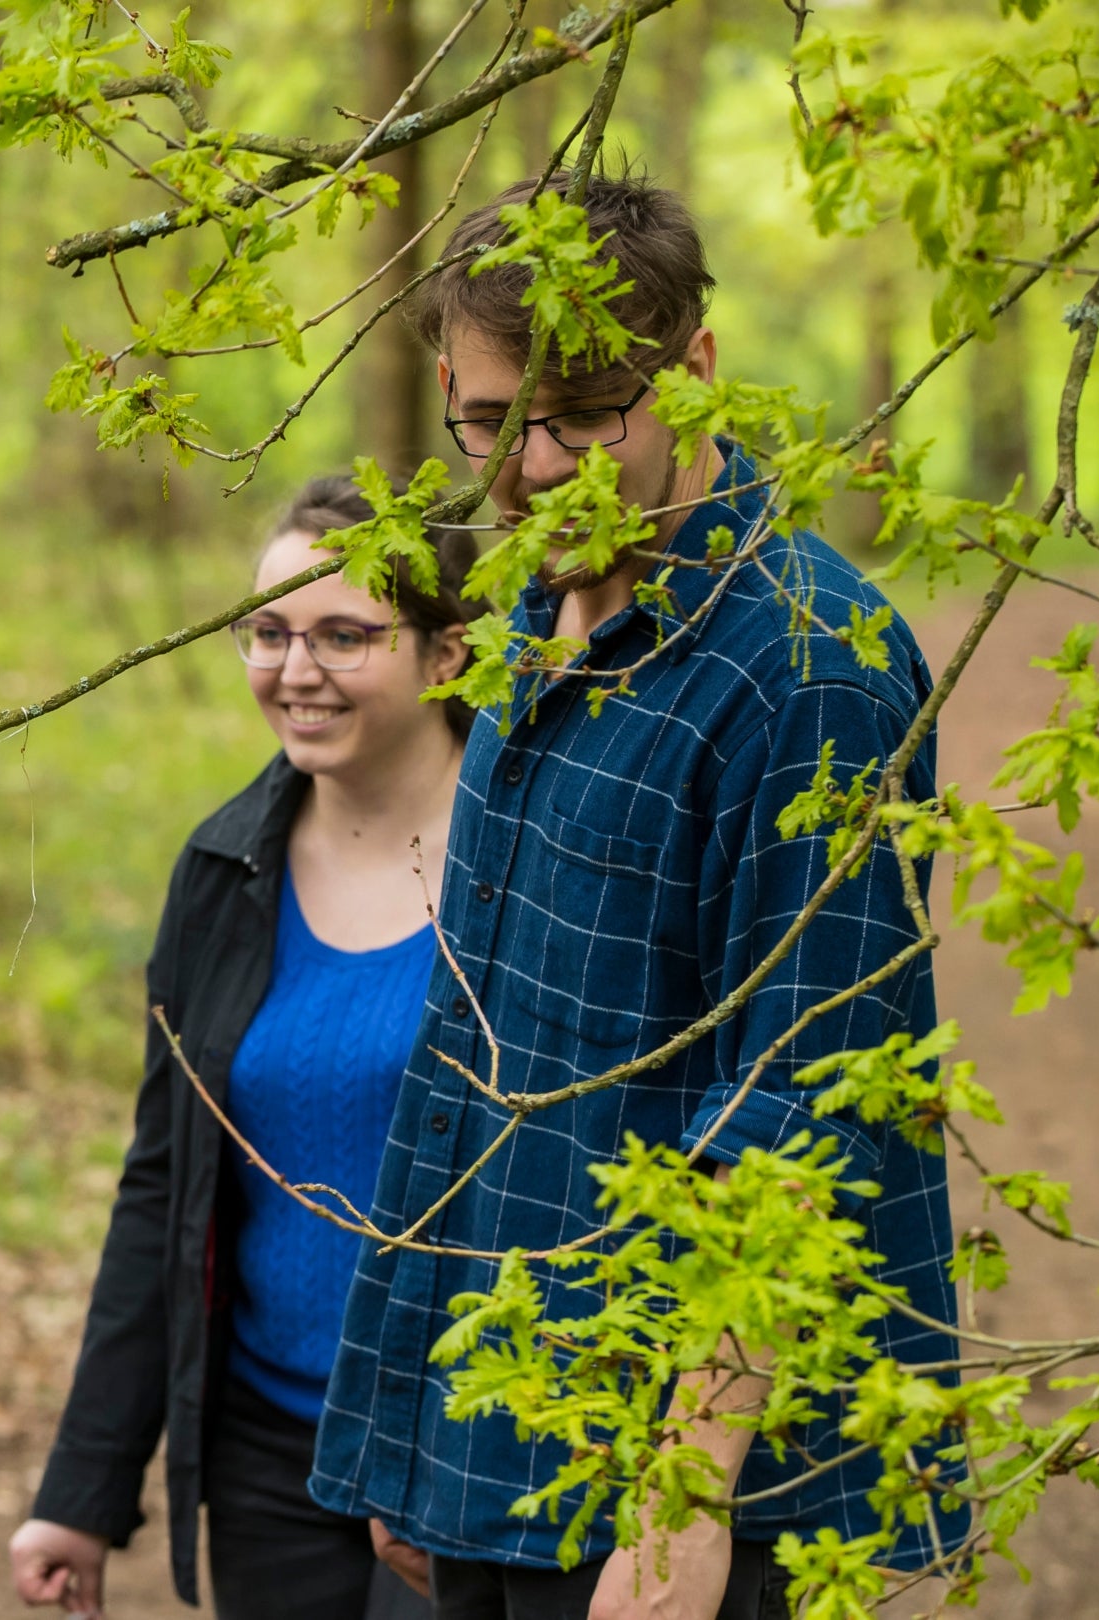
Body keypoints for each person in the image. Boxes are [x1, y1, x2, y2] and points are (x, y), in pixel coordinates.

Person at [306, 178, 958, 1620]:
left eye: (590, 411)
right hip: (501, 1430)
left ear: (698, 370)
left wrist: (685, 1503)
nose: (536, 467)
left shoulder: (812, 665)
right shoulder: (534, 611)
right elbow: (481, 1055)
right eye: (488, 422)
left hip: (672, 1488)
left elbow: (810, 1103)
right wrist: (419, 1429)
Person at [8, 477, 471, 1620]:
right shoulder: (223, 871)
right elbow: (165, 1185)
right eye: (268, 633)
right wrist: (85, 1487)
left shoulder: (534, 871)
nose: (293, 669)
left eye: (343, 635)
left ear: (448, 655)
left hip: (476, 1442)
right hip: (271, 1452)